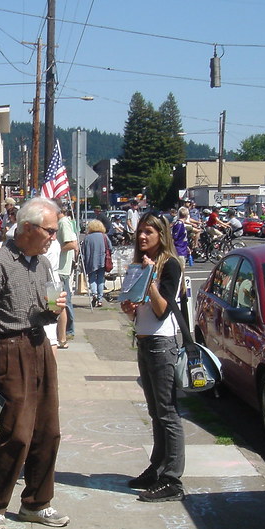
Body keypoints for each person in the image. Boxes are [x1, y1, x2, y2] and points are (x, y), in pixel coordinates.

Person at [0, 196, 69, 529]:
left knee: (48, 430)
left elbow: (41, 313)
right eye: (50, 231)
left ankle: (36, 503)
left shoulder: (42, 264)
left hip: (40, 344)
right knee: (17, 432)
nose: (53, 237)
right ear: (27, 227)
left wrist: (53, 311)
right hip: (10, 349)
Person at [120, 212, 186, 503]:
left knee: (168, 413)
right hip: (145, 341)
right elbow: (142, 311)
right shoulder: (141, 264)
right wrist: (130, 310)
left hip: (162, 343)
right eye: (140, 231)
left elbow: (162, 310)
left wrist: (149, 281)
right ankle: (157, 468)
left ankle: (172, 479)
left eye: (149, 231)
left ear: (161, 234)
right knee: (155, 412)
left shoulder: (169, 265)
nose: (142, 236)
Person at [56, 201, 78, 342]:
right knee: (62, 300)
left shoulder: (63, 223)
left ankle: (69, 330)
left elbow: (72, 244)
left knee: (65, 300)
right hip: (61, 267)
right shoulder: (62, 222)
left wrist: (55, 249)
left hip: (62, 268)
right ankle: (66, 330)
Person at [81, 219, 112, 308]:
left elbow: (83, 252)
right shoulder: (104, 236)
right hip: (102, 261)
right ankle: (100, 299)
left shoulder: (87, 238)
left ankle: (94, 294)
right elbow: (110, 248)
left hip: (90, 262)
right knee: (100, 279)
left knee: (92, 279)